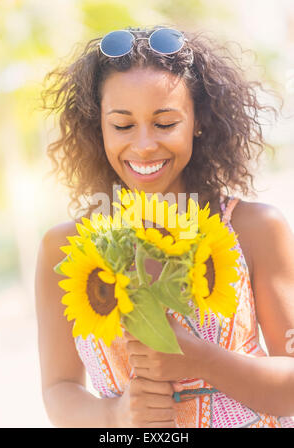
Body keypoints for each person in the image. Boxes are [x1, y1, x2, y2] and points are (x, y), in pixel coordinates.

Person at [35, 25, 294, 428]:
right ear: (97, 127)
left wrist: (200, 358)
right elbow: (59, 389)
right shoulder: (65, 248)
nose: (143, 146)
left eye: (165, 122)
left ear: (198, 121)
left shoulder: (255, 229)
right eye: (122, 125)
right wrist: (115, 415)